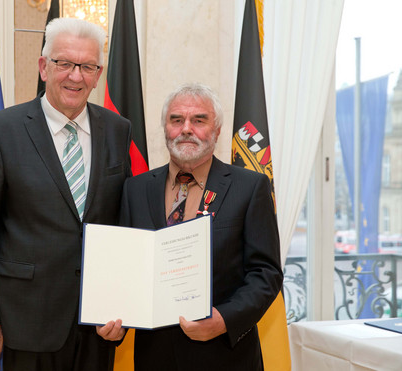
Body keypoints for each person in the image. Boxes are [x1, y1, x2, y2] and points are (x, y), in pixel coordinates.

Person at [0, 18, 131, 371]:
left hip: (97, 324)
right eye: (64, 63)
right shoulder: (2, 132)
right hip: (26, 323)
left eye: (87, 66)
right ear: (43, 67)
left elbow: (122, 226)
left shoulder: (118, 130)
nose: (75, 76)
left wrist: (123, 304)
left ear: (98, 74)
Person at [116, 83, 283, 370]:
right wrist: (115, 317)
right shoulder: (135, 189)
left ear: (217, 130)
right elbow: (126, 268)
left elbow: (266, 273)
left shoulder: (250, 187)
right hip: (154, 357)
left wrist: (224, 320)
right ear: (165, 128)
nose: (186, 129)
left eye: (199, 120)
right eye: (176, 119)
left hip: (225, 357)